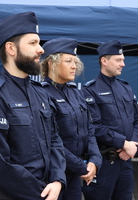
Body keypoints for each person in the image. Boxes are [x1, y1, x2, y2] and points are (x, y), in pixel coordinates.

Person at [0, 11, 66, 200]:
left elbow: (55, 140)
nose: (41, 49)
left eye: (39, 42)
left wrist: (58, 180)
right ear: (11, 49)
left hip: (50, 191)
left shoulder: (39, 92)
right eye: (32, 43)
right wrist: (43, 193)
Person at [40, 38, 102, 200]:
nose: (74, 66)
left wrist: (94, 160)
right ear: (51, 64)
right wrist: (81, 166)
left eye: (75, 61)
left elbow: (89, 129)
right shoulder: (41, 94)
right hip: (52, 176)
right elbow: (49, 141)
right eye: (68, 61)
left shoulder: (76, 92)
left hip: (75, 175)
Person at [81, 40, 138, 200]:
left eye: (123, 60)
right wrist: (123, 143)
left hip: (125, 161)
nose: (123, 64)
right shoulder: (91, 90)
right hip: (103, 162)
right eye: (118, 60)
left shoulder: (125, 87)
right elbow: (94, 126)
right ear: (104, 60)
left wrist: (132, 146)